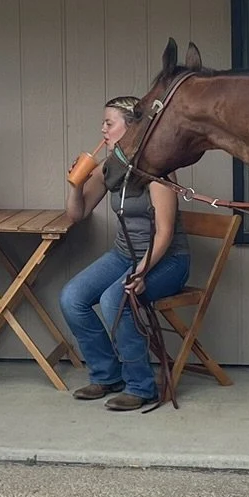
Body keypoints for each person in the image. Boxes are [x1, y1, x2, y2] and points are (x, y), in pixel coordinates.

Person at [60, 96, 190, 411]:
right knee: (72, 298)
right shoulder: (111, 168)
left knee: (114, 299)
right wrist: (76, 185)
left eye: (109, 123)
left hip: (166, 260)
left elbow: (165, 233)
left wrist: (141, 272)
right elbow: (77, 214)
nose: (102, 129)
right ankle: (107, 375)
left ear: (131, 128)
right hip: (124, 254)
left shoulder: (157, 173)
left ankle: (141, 386)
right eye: (103, 122)